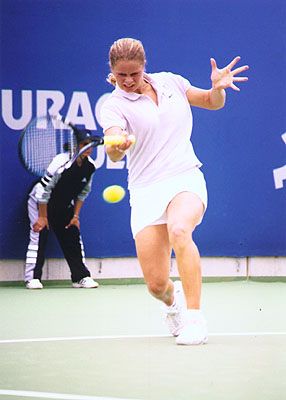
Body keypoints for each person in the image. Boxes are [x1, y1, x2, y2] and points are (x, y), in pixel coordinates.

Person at [100, 38, 249, 345]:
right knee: (156, 285)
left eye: (134, 73)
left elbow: (210, 101)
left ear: (145, 66)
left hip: (184, 177)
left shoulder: (172, 82)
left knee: (180, 230)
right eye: (122, 74)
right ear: (112, 71)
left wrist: (218, 88)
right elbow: (113, 149)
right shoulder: (112, 105)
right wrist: (118, 146)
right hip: (145, 189)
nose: (128, 80)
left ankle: (195, 319)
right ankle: (173, 302)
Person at [24, 129, 99, 290]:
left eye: (90, 145)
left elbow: (83, 193)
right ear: (74, 145)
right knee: (40, 231)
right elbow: (43, 190)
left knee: (72, 233)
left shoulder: (90, 166)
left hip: (63, 204)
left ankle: (80, 277)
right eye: (84, 144)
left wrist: (75, 216)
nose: (88, 148)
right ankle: (32, 278)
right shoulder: (61, 161)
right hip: (40, 200)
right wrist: (43, 217)